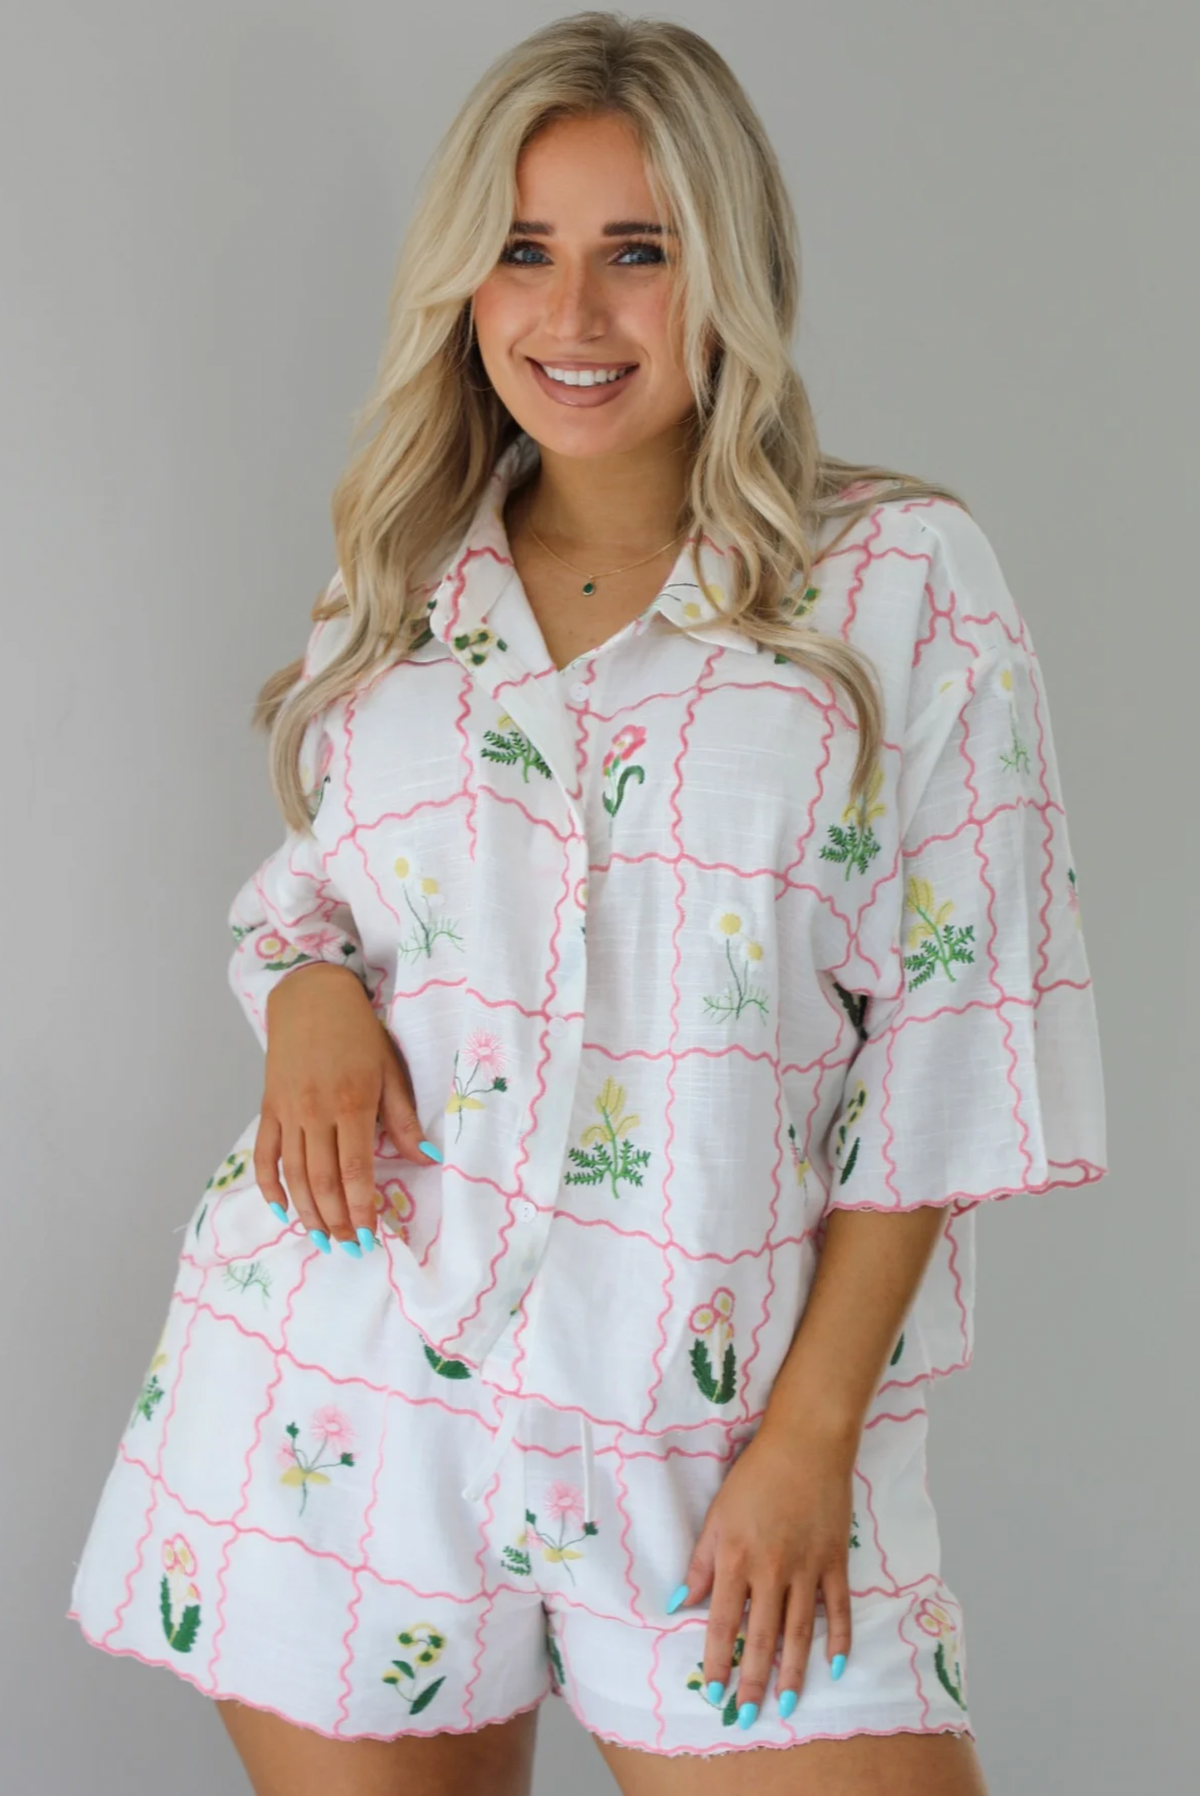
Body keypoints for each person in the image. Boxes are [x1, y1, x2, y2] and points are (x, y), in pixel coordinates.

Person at [66, 13, 1107, 1795]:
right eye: (524, 254)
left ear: (732, 270)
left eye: (641, 251)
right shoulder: (394, 585)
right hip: (355, 1402)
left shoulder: (900, 586)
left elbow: (951, 1042)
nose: (575, 314)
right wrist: (305, 993)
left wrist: (813, 1443)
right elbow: (313, 894)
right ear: (464, 290)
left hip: (718, 1440)